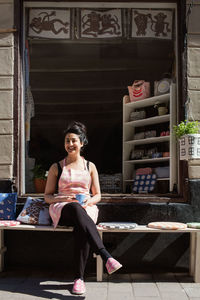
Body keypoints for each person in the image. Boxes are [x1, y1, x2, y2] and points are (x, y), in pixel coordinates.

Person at [44, 121, 122, 295]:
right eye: (67, 141)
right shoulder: (56, 167)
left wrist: (88, 202)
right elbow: (47, 196)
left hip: (86, 208)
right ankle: (105, 255)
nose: (70, 144)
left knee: (82, 224)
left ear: (82, 142)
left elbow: (98, 195)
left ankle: (79, 280)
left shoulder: (90, 166)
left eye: (73, 140)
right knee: (74, 208)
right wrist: (60, 197)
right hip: (62, 208)